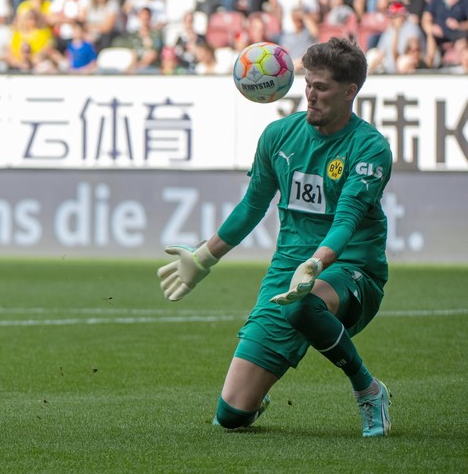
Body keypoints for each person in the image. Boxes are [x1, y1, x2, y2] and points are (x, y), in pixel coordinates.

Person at [157, 37, 393, 438]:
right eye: (307, 84)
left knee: (303, 307)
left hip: (350, 268)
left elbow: (347, 221)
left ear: (350, 91)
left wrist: (316, 263)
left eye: (321, 88)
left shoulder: (369, 147)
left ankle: (368, 390)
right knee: (230, 416)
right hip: (287, 271)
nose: (310, 95)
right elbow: (252, 207)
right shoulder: (278, 136)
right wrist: (202, 259)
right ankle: (254, 393)